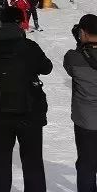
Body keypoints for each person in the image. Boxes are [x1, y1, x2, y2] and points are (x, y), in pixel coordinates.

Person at [0, 6, 53, 192]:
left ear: (0, 22)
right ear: (19, 23)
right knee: (32, 162)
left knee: (0, 161)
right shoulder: (30, 47)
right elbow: (47, 68)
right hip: (29, 112)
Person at [64, 14, 97, 192]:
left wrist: (81, 44)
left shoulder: (74, 57)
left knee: (86, 165)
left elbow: (70, 66)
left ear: (82, 32)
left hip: (85, 121)